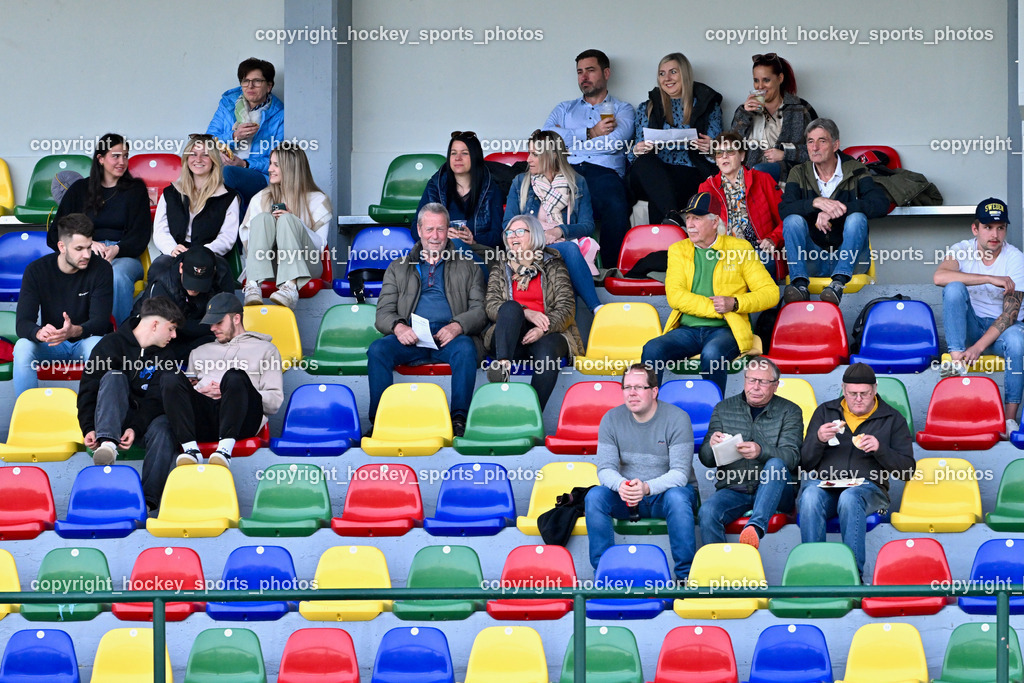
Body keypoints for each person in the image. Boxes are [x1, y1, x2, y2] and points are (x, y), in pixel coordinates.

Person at [367, 202, 487, 437]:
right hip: (411, 335)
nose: (435, 236)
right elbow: (382, 313)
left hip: (449, 335)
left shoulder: (468, 266)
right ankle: (380, 419)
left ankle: (459, 420)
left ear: (447, 231)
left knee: (465, 347)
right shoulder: (398, 267)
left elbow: (480, 310)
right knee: (377, 350)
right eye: (429, 229)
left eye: (441, 229)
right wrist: (398, 327)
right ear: (419, 230)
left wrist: (457, 325)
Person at [640, 192, 778, 394]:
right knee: (652, 349)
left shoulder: (740, 249)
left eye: (697, 218)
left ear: (715, 222)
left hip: (725, 330)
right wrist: (718, 308)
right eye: (688, 218)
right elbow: (675, 295)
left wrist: (735, 304)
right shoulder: (678, 249)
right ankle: (651, 413)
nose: (690, 224)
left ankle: (714, 416)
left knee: (713, 354)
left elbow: (770, 293)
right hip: (688, 330)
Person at [797, 363, 915, 579]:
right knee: (810, 493)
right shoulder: (825, 412)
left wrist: (881, 450)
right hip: (828, 487)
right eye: (852, 394)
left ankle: (852, 577)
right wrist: (818, 440)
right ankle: (813, 571)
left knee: (850, 497)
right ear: (843, 389)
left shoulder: (892, 418)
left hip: (870, 490)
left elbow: (907, 470)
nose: (858, 399)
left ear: (875, 390)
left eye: (864, 394)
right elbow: (804, 464)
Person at [584, 364, 698, 580]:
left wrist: (646, 488)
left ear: (654, 391)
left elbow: (680, 474)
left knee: (677, 496)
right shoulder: (611, 419)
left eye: (639, 387)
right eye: (627, 387)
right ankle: (603, 574)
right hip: (627, 496)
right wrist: (622, 486)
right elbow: (605, 468)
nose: (632, 393)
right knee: (595, 497)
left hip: (665, 496)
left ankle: (686, 577)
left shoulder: (677, 418)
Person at [77, 297, 183, 509]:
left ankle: (149, 502)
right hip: (112, 418)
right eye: (171, 329)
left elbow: (157, 401)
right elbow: (88, 390)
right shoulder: (111, 344)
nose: (174, 335)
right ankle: (108, 444)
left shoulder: (167, 355)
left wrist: (135, 428)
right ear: (155, 324)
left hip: (145, 423)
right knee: (114, 376)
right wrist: (88, 427)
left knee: (164, 427)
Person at [161, 292, 283, 468]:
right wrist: (198, 391)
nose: (212, 328)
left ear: (236, 319)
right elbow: (183, 394)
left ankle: (225, 450)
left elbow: (274, 402)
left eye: (219, 323)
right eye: (211, 323)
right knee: (170, 378)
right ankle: (191, 450)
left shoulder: (266, 350)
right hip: (204, 420)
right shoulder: (199, 352)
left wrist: (234, 392)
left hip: (243, 421)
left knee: (235, 377)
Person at [934, 197, 1024, 433]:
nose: (994, 234)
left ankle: (1009, 420)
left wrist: (978, 348)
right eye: (987, 227)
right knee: (953, 287)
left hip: (1001, 332)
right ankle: (956, 361)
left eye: (1000, 228)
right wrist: (988, 278)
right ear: (975, 229)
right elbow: (939, 277)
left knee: (1017, 339)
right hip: (970, 327)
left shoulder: (1014, 258)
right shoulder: (961, 249)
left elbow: (1010, 316)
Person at [779, 118, 889, 305]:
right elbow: (785, 209)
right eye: (810, 141)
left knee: (857, 218)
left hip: (850, 260)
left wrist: (836, 208)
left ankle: (838, 284)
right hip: (813, 258)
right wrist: (816, 203)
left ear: (835, 145)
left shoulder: (855, 169)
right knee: (792, 220)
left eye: (822, 141)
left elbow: (880, 204)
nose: (814, 148)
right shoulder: (799, 172)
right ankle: (799, 285)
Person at [697, 358, 802, 549]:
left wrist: (761, 452)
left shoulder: (790, 411)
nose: (755, 387)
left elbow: (792, 458)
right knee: (707, 512)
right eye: (751, 380)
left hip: (778, 491)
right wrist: (711, 446)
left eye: (763, 382)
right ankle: (719, 573)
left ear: (775, 386)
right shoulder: (723, 408)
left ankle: (755, 526)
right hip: (734, 489)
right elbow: (706, 460)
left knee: (776, 464)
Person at [544, 48, 635, 265]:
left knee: (616, 203)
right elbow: (547, 140)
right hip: (567, 170)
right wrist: (591, 132)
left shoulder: (623, 109)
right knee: (543, 201)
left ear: (606, 73)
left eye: (590, 70)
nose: (584, 77)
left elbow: (616, 142)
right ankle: (555, 268)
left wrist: (567, 140)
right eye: (580, 72)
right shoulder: (565, 108)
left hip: (604, 173)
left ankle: (612, 270)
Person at [483, 215, 583, 409]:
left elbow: (566, 307)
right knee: (511, 307)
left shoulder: (554, 264)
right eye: (510, 233)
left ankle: (532, 413)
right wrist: (526, 312)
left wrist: (542, 329)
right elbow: (491, 305)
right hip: (510, 337)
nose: (513, 236)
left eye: (520, 231)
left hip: (548, 332)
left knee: (548, 352)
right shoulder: (501, 265)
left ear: (535, 235)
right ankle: (502, 366)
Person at [51, 133, 151, 325]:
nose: (122, 161)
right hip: (84, 253)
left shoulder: (135, 190)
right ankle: (59, 333)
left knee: (118, 276)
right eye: (115, 156)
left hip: (124, 256)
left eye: (125, 156)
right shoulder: (79, 189)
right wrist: (85, 245)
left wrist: (117, 249)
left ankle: (118, 336)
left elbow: (140, 235)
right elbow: (56, 232)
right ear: (101, 158)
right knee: (53, 270)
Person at [504, 129, 603, 314]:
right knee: (570, 250)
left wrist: (559, 231)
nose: (528, 159)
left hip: (561, 245)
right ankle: (596, 308)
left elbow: (587, 225)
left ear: (551, 156)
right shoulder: (520, 182)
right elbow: (507, 224)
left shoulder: (577, 182)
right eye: (529, 153)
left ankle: (570, 329)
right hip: (530, 246)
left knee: (564, 263)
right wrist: (537, 235)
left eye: (535, 154)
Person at [15, 214, 112, 397]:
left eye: (89, 247)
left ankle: (93, 418)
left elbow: (100, 322)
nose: (87, 255)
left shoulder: (101, 269)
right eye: (79, 248)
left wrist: (73, 331)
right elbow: (22, 323)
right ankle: (28, 416)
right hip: (52, 344)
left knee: (97, 346)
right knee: (22, 347)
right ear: (62, 247)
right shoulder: (36, 270)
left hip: (86, 340)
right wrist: (38, 332)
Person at [628, 52, 723, 226]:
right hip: (653, 171)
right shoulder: (647, 107)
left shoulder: (707, 106)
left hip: (689, 171)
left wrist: (710, 148)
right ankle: (672, 216)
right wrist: (637, 150)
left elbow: (720, 152)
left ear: (684, 74)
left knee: (661, 192)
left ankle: (668, 224)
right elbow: (633, 155)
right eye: (662, 73)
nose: (667, 78)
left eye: (673, 72)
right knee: (645, 164)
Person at [239, 142, 332, 309]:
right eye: (270, 164)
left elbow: (320, 246)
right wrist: (271, 231)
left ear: (291, 168)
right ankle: (253, 286)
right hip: (267, 266)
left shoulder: (318, 199)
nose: (269, 169)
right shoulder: (260, 198)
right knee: (263, 219)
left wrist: (295, 222)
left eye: (276, 165)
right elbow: (248, 243)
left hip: (307, 266)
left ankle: (290, 287)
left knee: (288, 220)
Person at [150, 134, 239, 290]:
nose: (198, 159)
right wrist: (171, 248)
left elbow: (227, 237)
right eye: (193, 154)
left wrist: (204, 252)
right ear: (186, 159)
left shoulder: (228, 196)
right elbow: (160, 230)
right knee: (159, 269)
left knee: (221, 271)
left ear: (214, 160)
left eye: (205, 155)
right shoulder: (170, 193)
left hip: (209, 254)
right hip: (176, 253)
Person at [698, 131, 784, 279]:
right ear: (716, 160)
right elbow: (703, 229)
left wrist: (772, 239)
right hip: (723, 253)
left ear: (742, 156)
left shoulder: (763, 180)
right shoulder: (707, 187)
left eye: (730, 151)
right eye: (719, 153)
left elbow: (785, 219)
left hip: (758, 250)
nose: (724, 156)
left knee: (752, 266)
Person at [206, 57, 284, 209]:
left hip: (260, 175)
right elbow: (207, 141)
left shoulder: (280, 114)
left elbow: (280, 159)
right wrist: (234, 136)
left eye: (257, 81)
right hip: (223, 169)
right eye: (245, 81)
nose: (250, 86)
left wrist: (244, 164)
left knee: (229, 174)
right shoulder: (228, 105)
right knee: (236, 195)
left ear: (269, 86)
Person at [729, 53, 817, 183]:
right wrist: (744, 114)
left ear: (780, 78)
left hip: (787, 181)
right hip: (748, 181)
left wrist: (785, 154)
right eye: (756, 80)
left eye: (766, 80)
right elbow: (732, 148)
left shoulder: (800, 108)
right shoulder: (745, 110)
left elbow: (816, 150)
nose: (760, 86)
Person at [132, 246, 232, 360]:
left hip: (195, 333)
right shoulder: (163, 285)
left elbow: (225, 317)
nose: (194, 288)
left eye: (201, 283)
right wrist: (210, 325)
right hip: (166, 338)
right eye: (190, 281)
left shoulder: (221, 273)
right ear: (181, 268)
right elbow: (166, 329)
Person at [418, 131, 505, 258]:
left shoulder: (490, 188)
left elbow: (499, 234)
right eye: (453, 153)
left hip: (479, 255)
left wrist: (474, 239)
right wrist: (442, 234)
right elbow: (417, 228)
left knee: (459, 250)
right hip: (442, 254)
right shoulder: (435, 186)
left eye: (464, 153)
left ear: (474, 156)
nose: (457, 158)